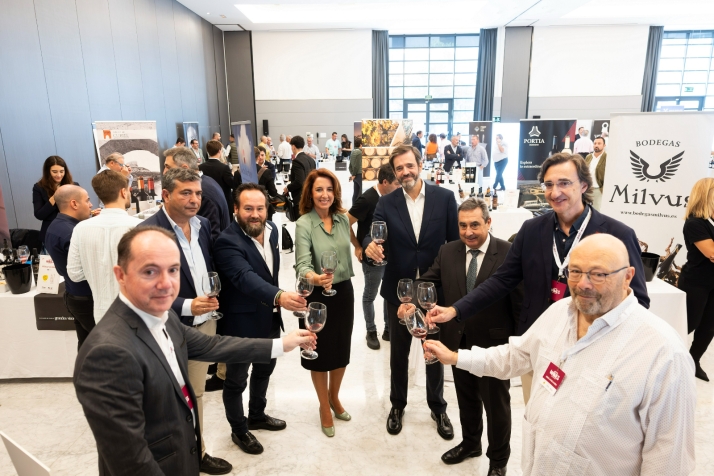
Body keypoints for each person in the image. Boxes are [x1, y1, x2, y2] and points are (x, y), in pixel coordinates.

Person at [425, 234, 696, 476]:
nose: (583, 284)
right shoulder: (561, 311)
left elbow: (669, 460)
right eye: (575, 272)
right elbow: (515, 357)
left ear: (628, 276)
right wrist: (456, 357)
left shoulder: (663, 354)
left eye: (599, 274)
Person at [74, 226, 315, 476]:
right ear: (120, 275)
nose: (166, 283)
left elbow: (213, 345)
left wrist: (283, 344)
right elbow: (130, 461)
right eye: (149, 271)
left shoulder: (162, 316)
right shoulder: (106, 353)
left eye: (173, 270)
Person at [427, 152, 650, 404]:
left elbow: (638, 301)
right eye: (549, 184)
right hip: (540, 346)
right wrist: (456, 310)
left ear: (584, 185)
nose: (555, 192)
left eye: (565, 183)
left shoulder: (617, 234)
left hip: (592, 352)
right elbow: (502, 280)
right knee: (536, 416)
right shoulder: (532, 230)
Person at [403, 198, 521, 474]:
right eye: (463, 225)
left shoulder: (508, 253)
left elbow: (519, 303)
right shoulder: (448, 252)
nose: (468, 232)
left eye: (475, 225)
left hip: (494, 345)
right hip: (456, 341)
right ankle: (471, 444)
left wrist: (517, 344)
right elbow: (427, 282)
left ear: (489, 223)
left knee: (497, 408)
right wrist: (413, 301)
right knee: (466, 398)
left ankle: (498, 461)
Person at [137, 167, 229, 474]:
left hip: (206, 324)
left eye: (198, 193)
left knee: (197, 393)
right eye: (186, 193)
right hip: (168, 328)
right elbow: (144, 292)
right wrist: (189, 305)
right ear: (165, 194)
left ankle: (197, 453)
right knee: (167, 399)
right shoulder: (149, 233)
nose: (195, 200)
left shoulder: (202, 225)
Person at [363, 144, 459, 440]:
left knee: (433, 350)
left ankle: (438, 407)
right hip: (399, 289)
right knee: (399, 353)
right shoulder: (387, 202)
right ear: (395, 171)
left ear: (420, 164)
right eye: (399, 168)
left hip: (434, 289)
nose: (405, 172)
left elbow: (454, 243)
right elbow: (372, 232)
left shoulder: (444, 198)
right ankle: (397, 405)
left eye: (409, 165)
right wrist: (369, 244)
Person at [214, 183, 309, 454]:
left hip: (268, 318)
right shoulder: (226, 242)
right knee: (236, 380)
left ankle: (256, 414)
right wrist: (279, 296)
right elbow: (244, 277)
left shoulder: (273, 230)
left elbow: (268, 273)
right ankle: (239, 430)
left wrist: (276, 301)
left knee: (265, 369)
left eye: (260, 208)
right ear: (235, 210)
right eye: (248, 209)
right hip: (240, 323)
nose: (255, 214)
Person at [295, 169, 355, 438]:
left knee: (341, 349)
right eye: (319, 189)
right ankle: (323, 406)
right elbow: (302, 265)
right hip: (316, 297)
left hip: (343, 292)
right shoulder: (304, 224)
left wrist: (365, 247)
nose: (324, 194)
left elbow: (355, 243)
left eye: (329, 189)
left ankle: (335, 396)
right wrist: (316, 279)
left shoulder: (342, 219)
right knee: (318, 351)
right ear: (311, 193)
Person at [67, 170, 141, 322]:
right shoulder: (139, 227)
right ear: (123, 192)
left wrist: (97, 273)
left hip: (101, 315)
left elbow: (74, 274)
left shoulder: (80, 228)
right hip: (137, 313)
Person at [348, 164, 401, 349]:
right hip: (372, 258)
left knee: (388, 293)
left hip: (391, 255)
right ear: (384, 182)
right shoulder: (367, 199)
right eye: (396, 183)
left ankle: (388, 328)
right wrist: (356, 246)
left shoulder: (393, 197)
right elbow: (346, 222)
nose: (400, 187)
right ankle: (371, 330)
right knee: (370, 294)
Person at [44, 185, 96, 349]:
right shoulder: (72, 232)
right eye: (87, 200)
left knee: (86, 344)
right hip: (86, 298)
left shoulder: (57, 225)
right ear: (74, 204)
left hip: (76, 295)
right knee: (104, 344)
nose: (91, 205)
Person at [679, 177, 714, 381]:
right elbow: (711, 252)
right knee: (689, 323)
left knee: (709, 326)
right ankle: (668, 358)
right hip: (696, 283)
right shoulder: (694, 223)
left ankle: (693, 360)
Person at [164, 146, 230, 243]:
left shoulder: (204, 195)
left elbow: (210, 238)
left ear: (184, 168)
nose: (164, 171)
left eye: (168, 167)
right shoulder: (207, 181)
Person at [33, 155, 77, 244]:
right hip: (51, 234)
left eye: (62, 171)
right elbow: (39, 215)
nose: (59, 175)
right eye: (54, 172)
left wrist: (91, 212)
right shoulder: (39, 188)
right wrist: (54, 198)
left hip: (72, 231)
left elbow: (79, 208)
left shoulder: (73, 186)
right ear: (47, 172)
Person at [284, 135, 316, 213]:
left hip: (301, 198)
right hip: (311, 196)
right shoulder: (311, 160)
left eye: (291, 146)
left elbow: (299, 181)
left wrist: (288, 188)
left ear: (294, 147)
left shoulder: (297, 161)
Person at [200, 139, 234, 210]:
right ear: (219, 151)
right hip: (224, 201)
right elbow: (231, 183)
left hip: (206, 202)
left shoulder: (200, 167)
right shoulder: (224, 167)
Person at [254, 146, 278, 220]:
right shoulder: (265, 171)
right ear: (257, 157)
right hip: (262, 204)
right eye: (260, 155)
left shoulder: (238, 173)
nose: (261, 157)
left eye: (262, 155)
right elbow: (273, 192)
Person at [584, 137, 607, 210]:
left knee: (597, 210)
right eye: (595, 143)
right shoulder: (589, 157)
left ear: (604, 145)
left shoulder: (607, 157)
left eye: (599, 143)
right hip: (587, 188)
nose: (596, 145)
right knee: (585, 210)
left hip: (598, 189)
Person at [348, 137, 363, 204]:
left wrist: (352, 173)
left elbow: (350, 165)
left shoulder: (353, 152)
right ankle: (359, 209)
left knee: (355, 193)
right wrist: (354, 174)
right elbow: (357, 165)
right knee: (359, 193)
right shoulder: (359, 152)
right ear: (360, 144)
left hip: (355, 174)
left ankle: (353, 207)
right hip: (359, 174)